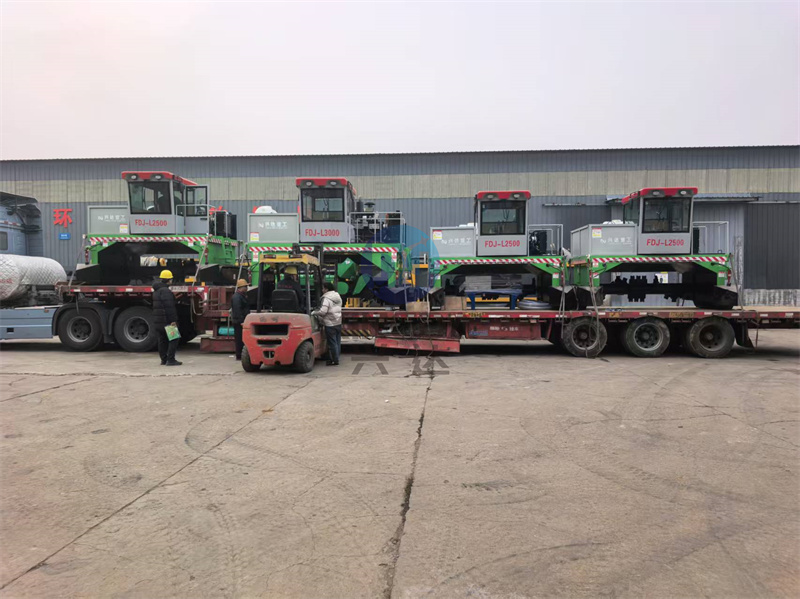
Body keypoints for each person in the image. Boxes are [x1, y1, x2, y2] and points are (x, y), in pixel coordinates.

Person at [153, 269, 181, 366]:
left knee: (162, 340)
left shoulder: (156, 291)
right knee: (174, 338)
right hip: (166, 321)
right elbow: (169, 307)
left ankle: (163, 360)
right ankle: (171, 359)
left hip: (158, 320)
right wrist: (173, 320)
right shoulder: (166, 291)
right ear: (169, 280)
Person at [313, 281, 343, 366]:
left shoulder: (326, 298)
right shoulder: (337, 296)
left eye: (323, 288)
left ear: (326, 289)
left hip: (330, 324)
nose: (322, 290)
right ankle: (337, 358)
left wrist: (315, 313)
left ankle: (334, 360)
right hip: (338, 322)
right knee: (337, 342)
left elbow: (323, 312)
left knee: (332, 343)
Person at [231, 278, 250, 360]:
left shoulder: (241, 296)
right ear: (241, 287)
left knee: (242, 339)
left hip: (241, 321)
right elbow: (237, 310)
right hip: (238, 322)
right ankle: (239, 355)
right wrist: (241, 321)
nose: (247, 288)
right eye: (245, 287)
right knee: (239, 339)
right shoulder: (237, 297)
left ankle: (240, 354)